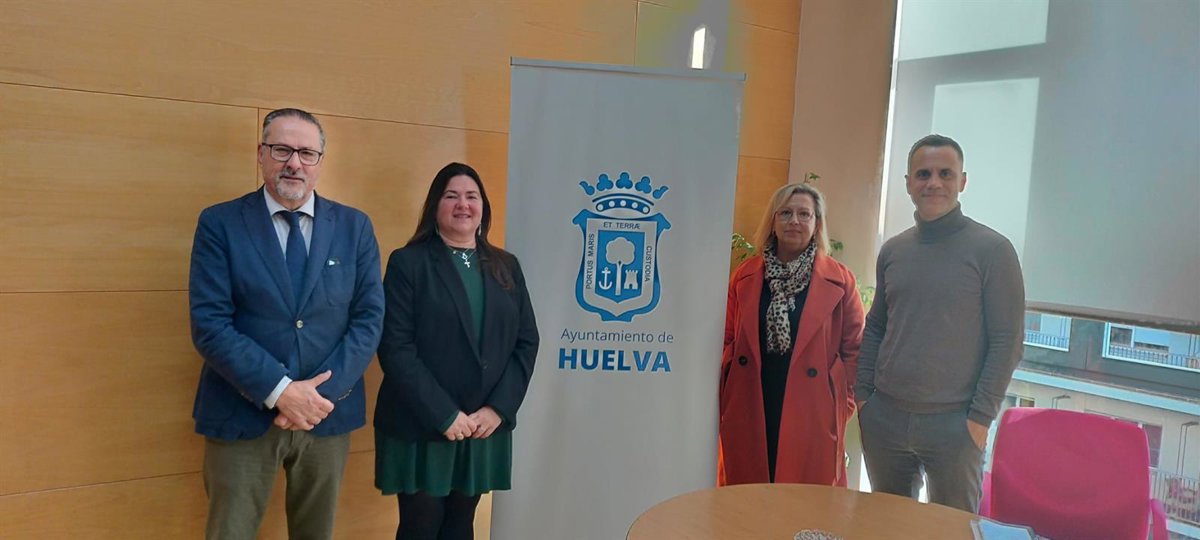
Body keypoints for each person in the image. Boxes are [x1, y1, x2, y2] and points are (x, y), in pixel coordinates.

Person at [188, 108, 385, 539]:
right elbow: (210, 323)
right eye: (282, 150)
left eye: (306, 153)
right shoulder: (220, 224)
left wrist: (316, 398)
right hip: (242, 412)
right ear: (261, 154)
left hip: (326, 417)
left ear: (319, 162)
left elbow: (369, 319)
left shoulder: (354, 227)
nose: (294, 162)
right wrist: (281, 392)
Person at [855, 134, 1025, 512]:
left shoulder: (993, 250)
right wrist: (864, 398)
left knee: (953, 531)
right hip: (885, 419)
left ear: (962, 181)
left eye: (945, 173)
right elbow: (877, 326)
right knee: (887, 526)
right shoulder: (893, 250)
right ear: (908, 183)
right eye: (923, 174)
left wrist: (979, 419)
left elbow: (1007, 341)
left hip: (955, 426)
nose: (933, 182)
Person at [374, 162, 539, 540]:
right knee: (421, 526)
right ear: (435, 206)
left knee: (461, 526)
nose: (463, 204)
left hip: (482, 425)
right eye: (451, 196)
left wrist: (498, 409)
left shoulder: (506, 266)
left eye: (471, 196)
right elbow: (395, 347)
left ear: (483, 207)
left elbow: (527, 341)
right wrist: (444, 415)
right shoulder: (408, 263)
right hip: (422, 424)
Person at [719, 182, 865, 486]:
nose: (794, 221)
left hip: (813, 407)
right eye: (785, 213)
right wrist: (727, 394)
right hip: (753, 400)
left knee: (805, 498)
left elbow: (855, 349)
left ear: (817, 223)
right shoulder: (744, 276)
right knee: (748, 495)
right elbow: (726, 338)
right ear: (772, 221)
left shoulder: (841, 281)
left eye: (804, 214)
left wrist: (840, 404)